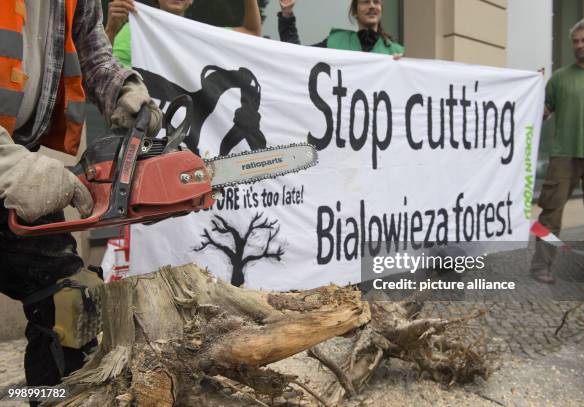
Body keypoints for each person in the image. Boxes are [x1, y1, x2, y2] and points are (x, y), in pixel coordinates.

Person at [0, 0, 162, 394]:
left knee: (70, 297)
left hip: (14, 153)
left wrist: (121, 89)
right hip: (8, 161)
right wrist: (8, 165)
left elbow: (90, 46)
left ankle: (57, 398)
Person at [530, 18, 584, 285]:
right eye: (575, 41)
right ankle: (541, 268)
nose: (579, 45)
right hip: (563, 157)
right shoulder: (560, 79)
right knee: (550, 215)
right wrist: (530, 91)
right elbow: (541, 114)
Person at [105, 0, 262, 68]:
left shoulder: (200, 34)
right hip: (145, 130)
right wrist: (111, 29)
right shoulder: (134, 30)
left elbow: (252, 33)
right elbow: (103, 70)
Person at [278, 0, 404, 55]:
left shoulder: (397, 52)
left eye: (376, 2)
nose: (372, 6)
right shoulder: (335, 42)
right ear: (354, 11)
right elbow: (297, 55)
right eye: (365, 1)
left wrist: (401, 67)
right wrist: (287, 14)